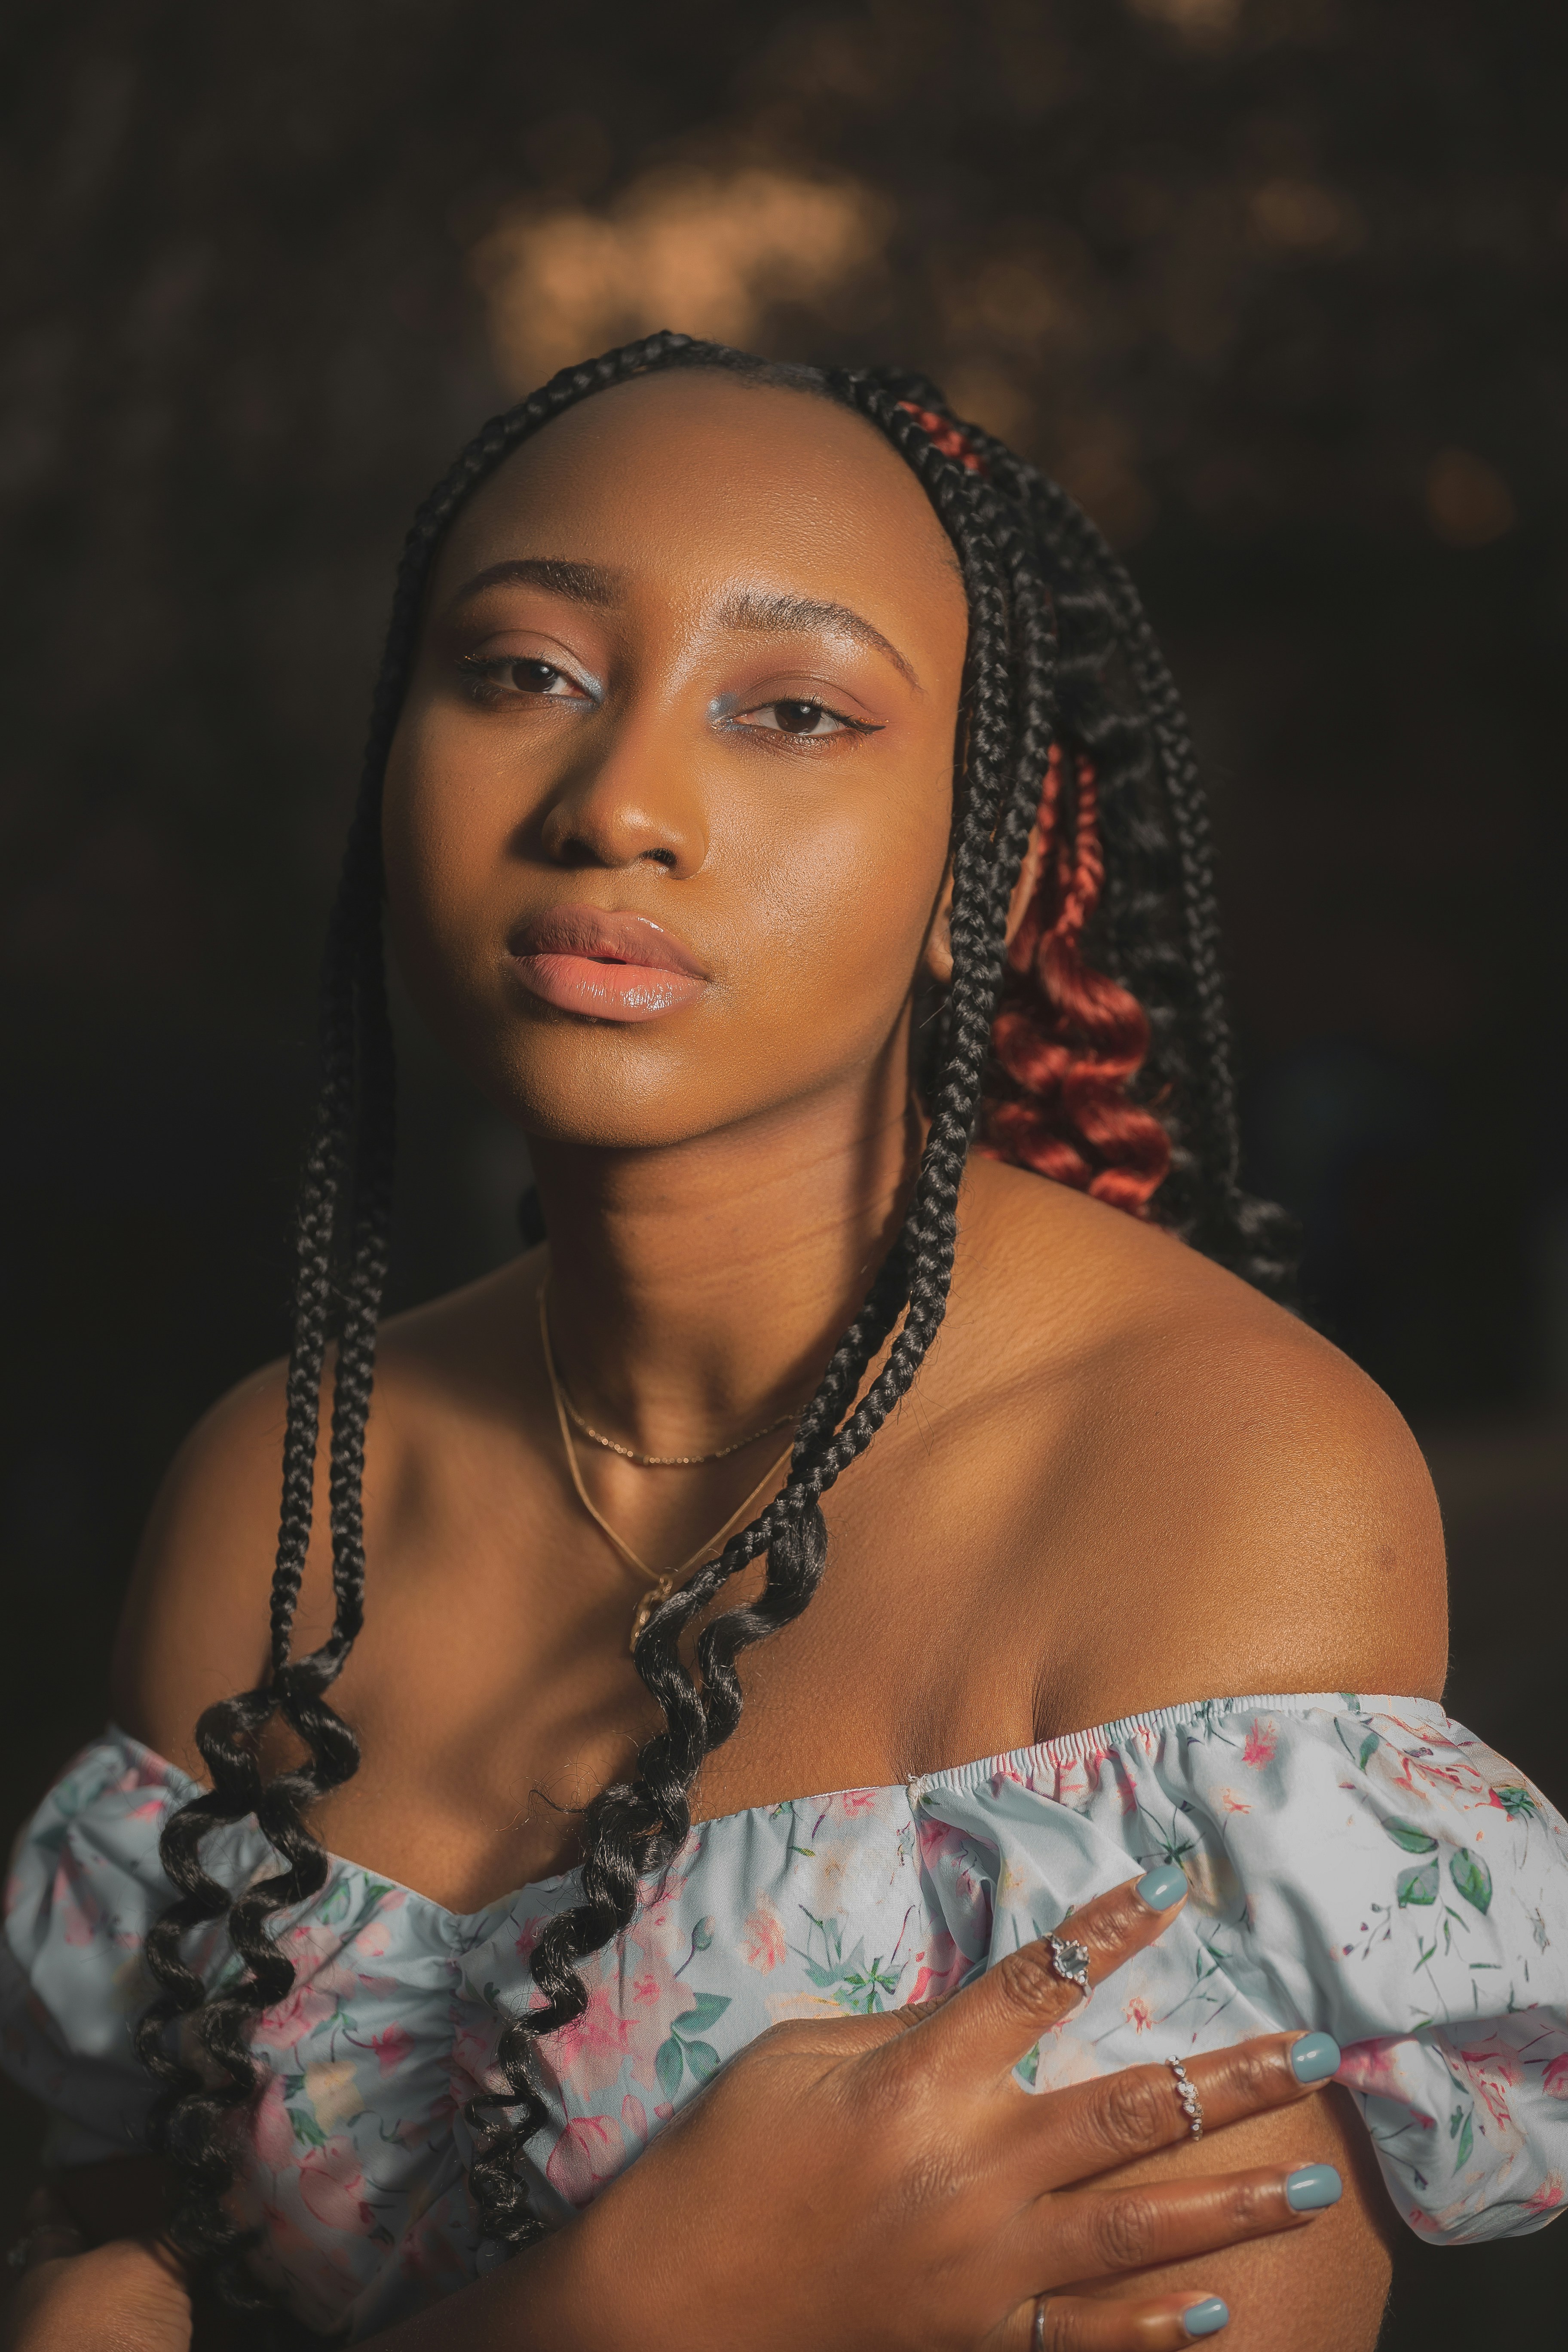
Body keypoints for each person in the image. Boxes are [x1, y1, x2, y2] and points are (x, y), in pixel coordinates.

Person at [3, 334, 1565, 2352]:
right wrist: (637, 2311)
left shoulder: (1211, 1491)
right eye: (522, 674)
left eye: (796, 710)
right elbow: (113, 2257)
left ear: (979, 870)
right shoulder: (275, 1501)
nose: (618, 799)